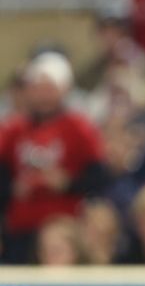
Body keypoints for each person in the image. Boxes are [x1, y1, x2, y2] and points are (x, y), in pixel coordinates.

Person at [0, 52, 107, 264]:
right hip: (20, 228)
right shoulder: (12, 129)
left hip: (65, 229)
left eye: (49, 89)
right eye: (38, 89)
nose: (43, 96)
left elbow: (99, 177)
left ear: (64, 90)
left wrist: (67, 183)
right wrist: (13, 187)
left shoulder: (79, 128)